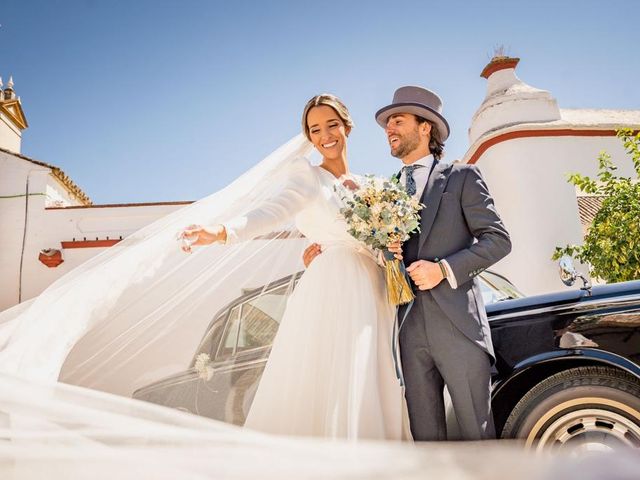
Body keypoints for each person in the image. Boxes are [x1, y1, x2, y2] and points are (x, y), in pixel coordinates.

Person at [180, 94, 408, 440]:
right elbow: (275, 210)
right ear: (309, 138)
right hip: (334, 285)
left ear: (347, 126)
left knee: (371, 376)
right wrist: (222, 232)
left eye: (332, 124)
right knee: (333, 375)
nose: (325, 135)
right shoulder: (307, 177)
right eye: (315, 129)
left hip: (374, 292)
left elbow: (380, 243)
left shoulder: (371, 186)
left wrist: (389, 251)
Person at [376, 86, 511, 441]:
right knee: (426, 442)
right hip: (407, 330)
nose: (389, 128)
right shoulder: (384, 193)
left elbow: (498, 240)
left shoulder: (462, 177)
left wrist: (444, 269)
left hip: (459, 328)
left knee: (476, 435)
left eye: (398, 120)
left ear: (425, 127)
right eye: (388, 122)